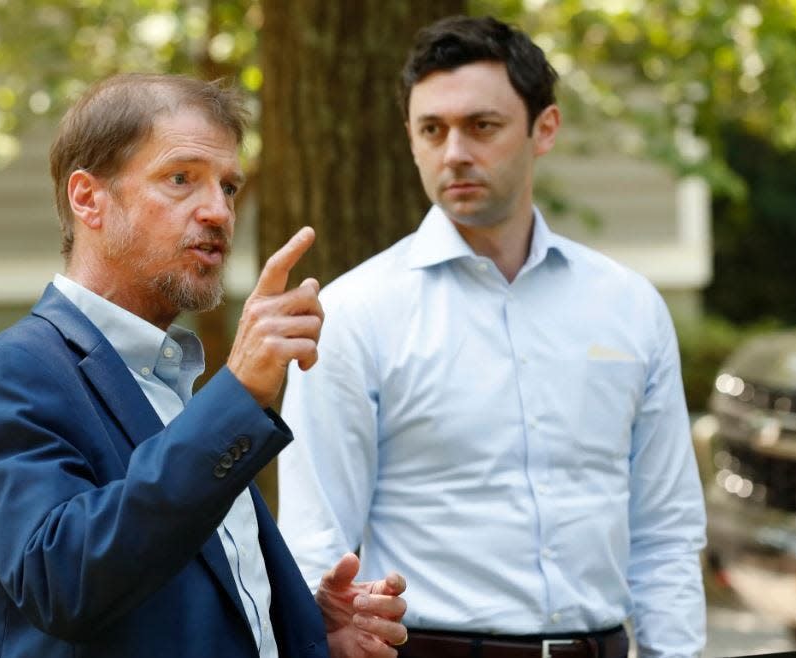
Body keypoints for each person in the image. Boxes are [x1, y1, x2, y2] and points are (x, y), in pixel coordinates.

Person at [278, 15, 706, 658]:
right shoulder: (357, 313)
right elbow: (314, 542)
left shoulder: (630, 307)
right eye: (432, 130)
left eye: (481, 126)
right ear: (412, 141)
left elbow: (666, 528)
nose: (454, 152)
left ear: (545, 129)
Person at [0, 73, 408, 658]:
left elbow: (179, 594)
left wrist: (304, 631)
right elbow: (63, 583)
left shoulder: (175, 382)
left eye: (230, 187)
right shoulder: (15, 371)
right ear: (88, 198)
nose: (217, 211)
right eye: (181, 179)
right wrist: (236, 397)